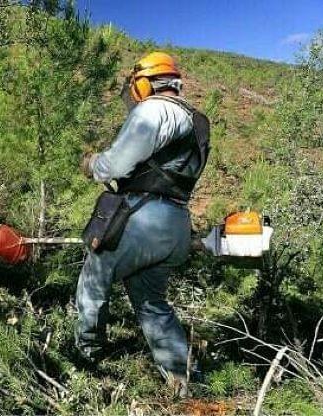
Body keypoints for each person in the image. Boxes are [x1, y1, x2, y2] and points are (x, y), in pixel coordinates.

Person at [76, 52, 210, 397]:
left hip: (142, 219)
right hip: (176, 223)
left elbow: (117, 164)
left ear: (145, 83)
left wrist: (94, 165)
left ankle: (85, 360)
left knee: (94, 279)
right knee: (151, 302)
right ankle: (185, 384)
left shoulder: (155, 111)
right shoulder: (196, 121)